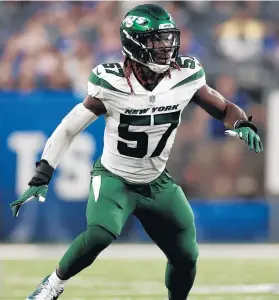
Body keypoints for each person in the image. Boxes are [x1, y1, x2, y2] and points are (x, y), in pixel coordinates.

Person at [10, 4, 263, 300]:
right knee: (101, 232)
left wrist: (242, 122)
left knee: (186, 255)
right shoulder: (112, 82)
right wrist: (42, 175)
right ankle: (51, 285)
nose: (166, 47)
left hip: (157, 181)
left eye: (168, 38)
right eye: (157, 40)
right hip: (115, 178)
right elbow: (68, 128)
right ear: (135, 42)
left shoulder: (185, 75)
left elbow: (223, 108)